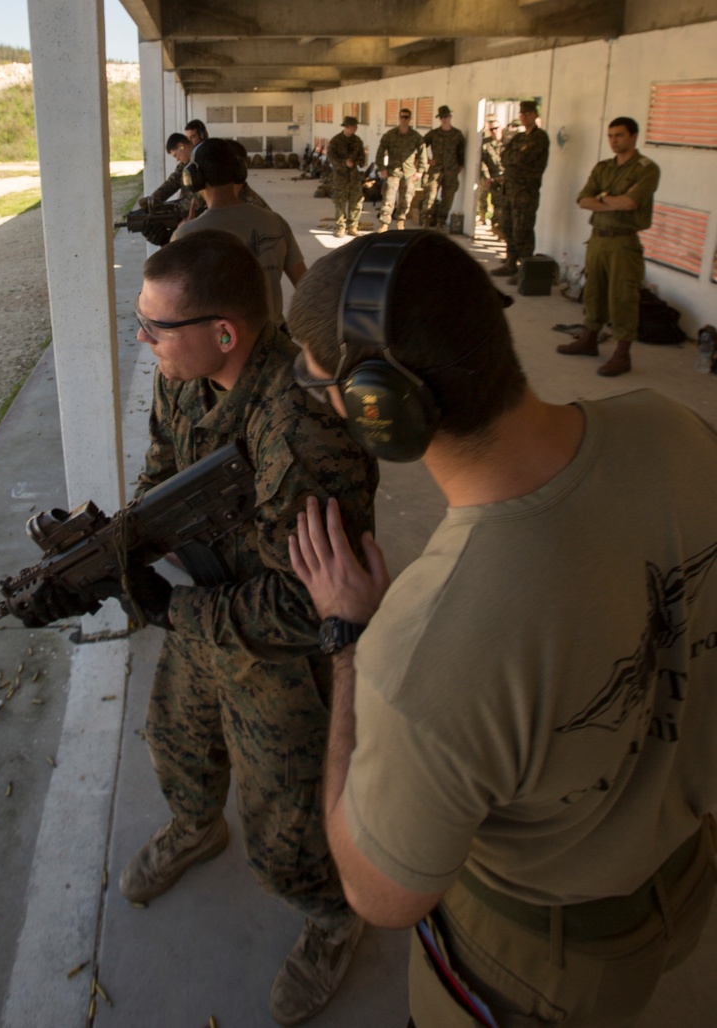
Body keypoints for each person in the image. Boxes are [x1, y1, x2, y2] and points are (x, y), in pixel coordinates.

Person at [284, 229, 717, 1028]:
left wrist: (349, 641)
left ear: (381, 409)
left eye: (324, 390)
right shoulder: (678, 428)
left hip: (541, 959)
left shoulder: (422, 654)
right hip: (686, 877)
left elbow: (380, 894)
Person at [120, 230, 380, 1025]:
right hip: (211, 606)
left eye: (156, 328)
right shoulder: (184, 378)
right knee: (176, 739)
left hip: (281, 653)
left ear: (223, 333)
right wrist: (122, 541)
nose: (143, 339)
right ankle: (196, 828)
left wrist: (177, 610)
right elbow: (164, 469)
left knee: (288, 835)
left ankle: (335, 916)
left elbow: (316, 604)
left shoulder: (300, 427)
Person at [558, 117, 661, 378]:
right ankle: (589, 339)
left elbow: (631, 204)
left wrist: (601, 198)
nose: (614, 141)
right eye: (611, 136)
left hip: (624, 241)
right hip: (598, 239)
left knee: (623, 297)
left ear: (634, 136)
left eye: (620, 135)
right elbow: (583, 200)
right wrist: (610, 199)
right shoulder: (603, 167)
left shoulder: (646, 169)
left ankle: (622, 353)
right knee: (594, 291)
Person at [171, 139, 306, 327]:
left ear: (194, 178)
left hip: (220, 349)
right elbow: (306, 287)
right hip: (273, 342)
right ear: (239, 172)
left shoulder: (186, 236)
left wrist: (176, 239)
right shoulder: (276, 222)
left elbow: (172, 304)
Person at [493, 100, 550, 280]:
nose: (524, 117)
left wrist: (513, 158)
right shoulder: (519, 137)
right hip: (510, 189)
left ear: (535, 115)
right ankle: (510, 263)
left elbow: (520, 159)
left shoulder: (539, 137)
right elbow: (504, 157)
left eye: (528, 113)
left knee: (523, 230)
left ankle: (525, 269)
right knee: (508, 227)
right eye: (522, 114)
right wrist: (513, 158)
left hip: (525, 192)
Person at [374, 108, 427, 232]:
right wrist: (382, 168)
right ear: (399, 118)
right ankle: (385, 223)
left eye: (406, 117)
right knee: (388, 198)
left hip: (409, 173)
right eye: (402, 117)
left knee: (406, 199)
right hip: (393, 172)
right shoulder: (390, 135)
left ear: (410, 119)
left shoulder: (415, 136)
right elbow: (380, 152)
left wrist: (420, 171)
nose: (404, 119)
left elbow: (422, 152)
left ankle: (400, 221)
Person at [421, 106, 465, 230]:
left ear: (450, 117)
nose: (444, 119)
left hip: (451, 171)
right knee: (430, 196)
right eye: (442, 117)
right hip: (435, 171)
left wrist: (460, 166)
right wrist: (428, 160)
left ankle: (441, 222)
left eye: (446, 116)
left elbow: (461, 152)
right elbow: (421, 146)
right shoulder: (434, 134)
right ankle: (426, 221)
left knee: (448, 198)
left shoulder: (457, 134)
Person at [326, 115, 366, 237]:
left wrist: (358, 163)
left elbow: (362, 158)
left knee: (356, 202)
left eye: (356, 126)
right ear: (346, 127)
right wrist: (344, 163)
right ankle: (341, 227)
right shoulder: (336, 141)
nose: (355, 128)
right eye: (353, 126)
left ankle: (353, 226)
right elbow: (331, 158)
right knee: (340, 202)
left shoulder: (358, 141)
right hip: (340, 176)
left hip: (354, 177)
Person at [139, 132, 195, 217]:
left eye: (176, 155)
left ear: (181, 146)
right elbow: (172, 183)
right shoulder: (184, 165)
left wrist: (170, 208)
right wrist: (153, 199)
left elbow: (197, 199)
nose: (177, 159)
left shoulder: (200, 160)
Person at [477, 117, 504, 232]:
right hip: (490, 175)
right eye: (491, 129)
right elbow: (482, 162)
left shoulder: (507, 143)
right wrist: (487, 177)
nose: (494, 131)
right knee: (482, 197)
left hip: (503, 177)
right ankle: (483, 217)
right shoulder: (485, 144)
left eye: (496, 128)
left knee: (500, 202)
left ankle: (497, 226)